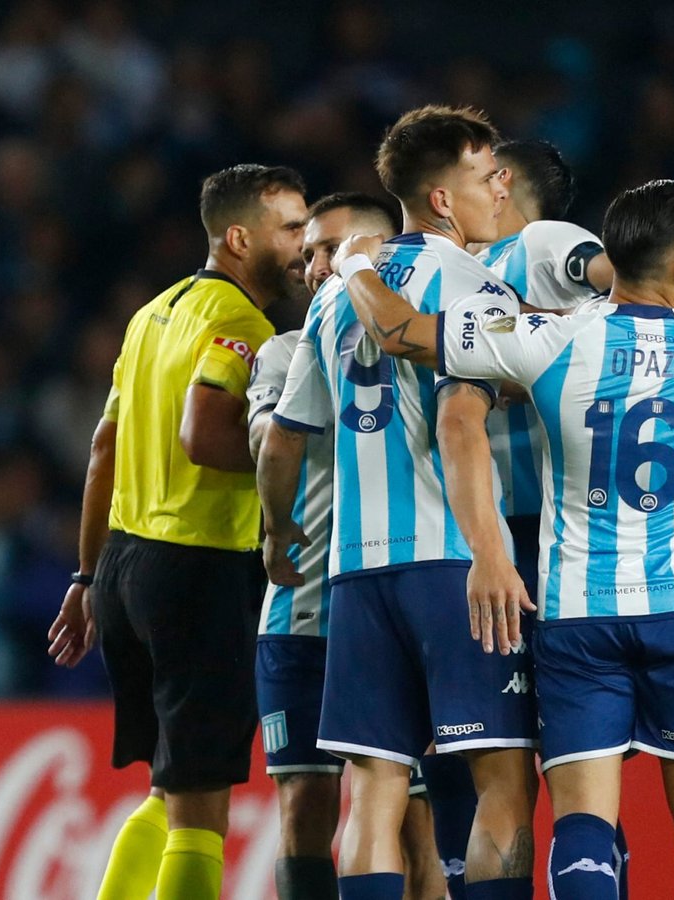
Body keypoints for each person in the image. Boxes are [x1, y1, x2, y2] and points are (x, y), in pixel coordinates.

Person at [334, 178, 674, 899]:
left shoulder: (549, 339)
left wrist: (353, 267)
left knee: (584, 822)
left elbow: (403, 332)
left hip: (579, 613)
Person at [259, 106, 537, 900]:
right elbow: (463, 420)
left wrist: (280, 536)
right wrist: (491, 549)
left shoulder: (327, 302)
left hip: (353, 575)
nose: (501, 189)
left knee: (374, 792)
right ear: (443, 199)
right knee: (502, 782)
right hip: (452, 565)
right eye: (487, 176)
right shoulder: (474, 283)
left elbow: (284, 443)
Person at [47, 163, 308, 900]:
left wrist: (87, 574)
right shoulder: (241, 325)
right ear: (237, 237)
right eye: (289, 227)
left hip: (127, 565)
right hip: (199, 569)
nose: (301, 243)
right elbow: (203, 435)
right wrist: (303, 460)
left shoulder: (154, 314)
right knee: (201, 808)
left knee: (167, 788)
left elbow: (105, 447)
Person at [247, 191, 446, 900]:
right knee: (305, 810)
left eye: (328, 250)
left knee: (418, 823)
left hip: (399, 603)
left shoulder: (425, 335)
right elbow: (272, 444)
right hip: (303, 609)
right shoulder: (281, 354)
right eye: (306, 256)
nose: (313, 267)